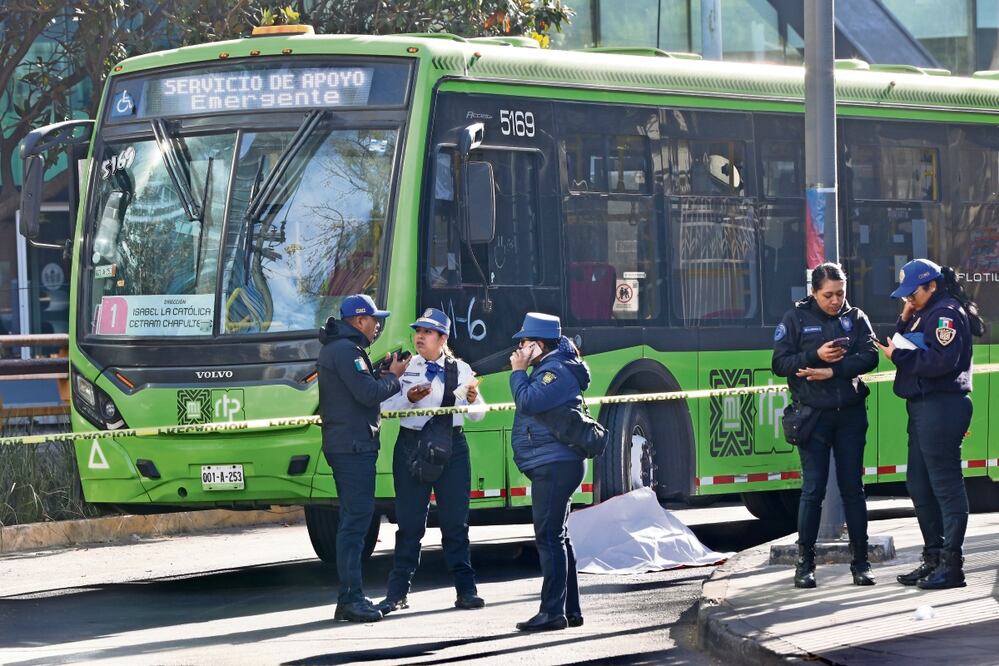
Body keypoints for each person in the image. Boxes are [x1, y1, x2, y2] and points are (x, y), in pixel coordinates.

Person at [876, 259, 985, 590]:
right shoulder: (925, 312)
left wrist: (899, 357)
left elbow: (941, 361)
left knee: (946, 487)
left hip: (942, 405)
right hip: (924, 406)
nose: (909, 299)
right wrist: (905, 318)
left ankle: (952, 565)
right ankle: (933, 557)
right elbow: (906, 341)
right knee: (919, 485)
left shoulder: (946, 313)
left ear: (932, 286)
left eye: (913, 293)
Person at [772, 262, 879, 589]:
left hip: (849, 414)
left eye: (840, 294)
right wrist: (814, 355)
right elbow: (779, 363)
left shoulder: (856, 317)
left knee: (853, 489)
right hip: (813, 416)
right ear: (814, 293)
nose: (835, 301)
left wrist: (834, 370)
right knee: (813, 490)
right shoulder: (795, 318)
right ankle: (805, 565)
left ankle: (861, 563)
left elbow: (871, 357)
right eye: (828, 295)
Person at [375, 308, 487, 616]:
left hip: (452, 446)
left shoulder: (461, 368)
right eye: (418, 331)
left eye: (427, 332)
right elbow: (384, 407)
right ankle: (397, 593)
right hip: (411, 446)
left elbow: (478, 415)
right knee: (409, 524)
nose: (420, 336)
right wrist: (408, 398)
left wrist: (474, 397)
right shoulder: (406, 367)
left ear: (442, 338)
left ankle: (466, 591)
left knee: (455, 523)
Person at [318, 294, 409, 623]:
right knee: (355, 523)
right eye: (374, 319)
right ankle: (351, 597)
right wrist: (394, 377)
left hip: (350, 444)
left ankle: (351, 596)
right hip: (352, 447)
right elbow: (367, 394)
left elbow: (361, 387)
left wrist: (380, 372)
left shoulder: (344, 349)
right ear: (359, 321)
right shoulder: (346, 350)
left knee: (354, 521)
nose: (378, 325)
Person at [508, 312, 588, 632]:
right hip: (553, 463)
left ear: (539, 345)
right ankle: (570, 609)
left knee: (548, 537)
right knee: (558, 537)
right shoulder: (551, 367)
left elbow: (528, 400)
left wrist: (518, 371)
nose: (520, 348)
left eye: (525, 343)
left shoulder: (554, 371)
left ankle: (552, 612)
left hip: (554, 464)